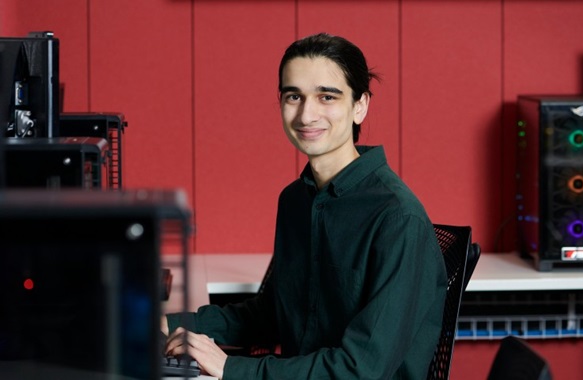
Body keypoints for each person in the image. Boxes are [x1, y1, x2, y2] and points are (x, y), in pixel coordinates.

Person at [163, 32, 447, 380]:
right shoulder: (296, 200)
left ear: (360, 106)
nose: (306, 114)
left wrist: (230, 368)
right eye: (293, 96)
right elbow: (274, 313)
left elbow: (360, 370)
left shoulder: (398, 218)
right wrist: (168, 325)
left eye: (327, 96)